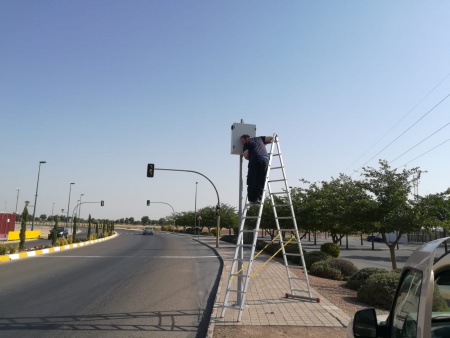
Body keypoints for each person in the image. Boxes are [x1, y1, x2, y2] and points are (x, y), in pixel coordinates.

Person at [240, 134, 273, 204]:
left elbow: (245, 156)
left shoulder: (247, 142)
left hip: (255, 160)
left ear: (246, 138)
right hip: (265, 160)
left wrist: (250, 156)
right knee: (261, 179)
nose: (242, 143)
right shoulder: (260, 139)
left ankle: (252, 199)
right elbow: (270, 138)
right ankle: (259, 198)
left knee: (252, 179)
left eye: (242, 141)